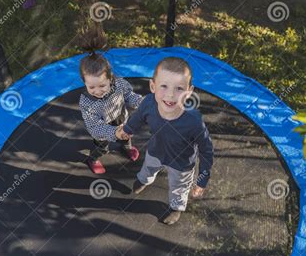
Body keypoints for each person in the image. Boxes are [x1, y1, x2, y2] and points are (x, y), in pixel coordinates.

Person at [118, 57, 213, 225]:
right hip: (155, 151)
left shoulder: (194, 121)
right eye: (164, 86)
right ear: (153, 86)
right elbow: (138, 118)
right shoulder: (148, 103)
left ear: (189, 92)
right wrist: (127, 130)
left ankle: (176, 206)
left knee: (179, 188)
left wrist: (202, 179)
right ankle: (144, 181)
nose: (170, 94)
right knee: (147, 169)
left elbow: (206, 150)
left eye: (179, 89)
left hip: (181, 164)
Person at [78, 24, 143, 174]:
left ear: (110, 78)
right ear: (84, 83)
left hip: (121, 118)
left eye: (102, 86)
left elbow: (129, 95)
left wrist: (141, 102)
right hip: (102, 129)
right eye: (91, 87)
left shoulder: (119, 83)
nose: (97, 91)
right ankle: (92, 159)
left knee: (127, 137)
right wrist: (114, 132)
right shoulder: (86, 101)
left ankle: (126, 147)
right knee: (103, 148)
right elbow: (94, 125)